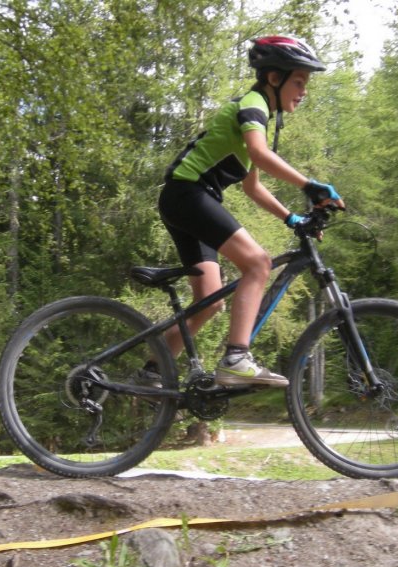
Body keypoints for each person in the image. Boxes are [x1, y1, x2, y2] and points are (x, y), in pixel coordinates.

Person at [143, 35, 345, 388]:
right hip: (189, 194)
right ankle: (236, 358)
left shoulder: (255, 115)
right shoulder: (253, 105)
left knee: (208, 303)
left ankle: (151, 372)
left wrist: (290, 218)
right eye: (299, 81)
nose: (304, 90)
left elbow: (253, 186)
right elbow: (261, 153)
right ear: (274, 78)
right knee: (258, 263)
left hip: (185, 199)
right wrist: (309, 186)